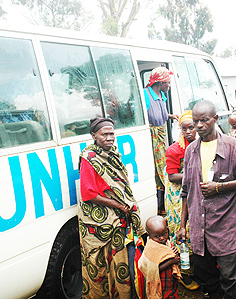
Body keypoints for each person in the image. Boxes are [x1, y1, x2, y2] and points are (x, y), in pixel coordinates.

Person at [176, 100, 236, 299]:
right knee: (206, 277)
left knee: (229, 277)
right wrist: (182, 226)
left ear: (215, 119)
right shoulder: (191, 150)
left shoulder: (232, 146)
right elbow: (186, 191)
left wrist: (220, 187)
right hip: (199, 226)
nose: (199, 126)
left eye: (204, 120)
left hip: (224, 224)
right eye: (196, 121)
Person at [78, 117, 146, 299]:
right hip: (97, 220)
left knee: (120, 262)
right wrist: (118, 205)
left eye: (112, 134)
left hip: (118, 216)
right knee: (99, 266)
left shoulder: (112, 153)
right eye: (104, 134)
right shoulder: (89, 158)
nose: (109, 138)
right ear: (94, 135)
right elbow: (89, 194)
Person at [164, 110, 199, 291]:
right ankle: (183, 273)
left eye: (191, 128)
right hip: (178, 195)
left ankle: (197, 267)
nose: (188, 132)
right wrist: (192, 176)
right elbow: (171, 176)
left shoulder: (203, 145)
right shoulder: (175, 149)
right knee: (181, 228)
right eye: (184, 129)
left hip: (196, 191)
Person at [143, 67, 179, 215]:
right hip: (153, 137)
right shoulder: (146, 95)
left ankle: (162, 204)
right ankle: (160, 205)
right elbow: (148, 116)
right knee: (159, 169)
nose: (169, 86)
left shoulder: (161, 95)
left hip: (162, 134)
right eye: (168, 83)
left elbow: (160, 113)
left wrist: (171, 116)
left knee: (163, 166)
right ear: (160, 82)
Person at [138, 216, 181, 299]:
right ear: (149, 235)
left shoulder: (166, 243)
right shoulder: (151, 250)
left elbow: (172, 254)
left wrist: (174, 252)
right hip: (161, 285)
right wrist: (171, 261)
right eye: (157, 236)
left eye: (164, 234)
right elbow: (152, 271)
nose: (162, 238)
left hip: (171, 282)